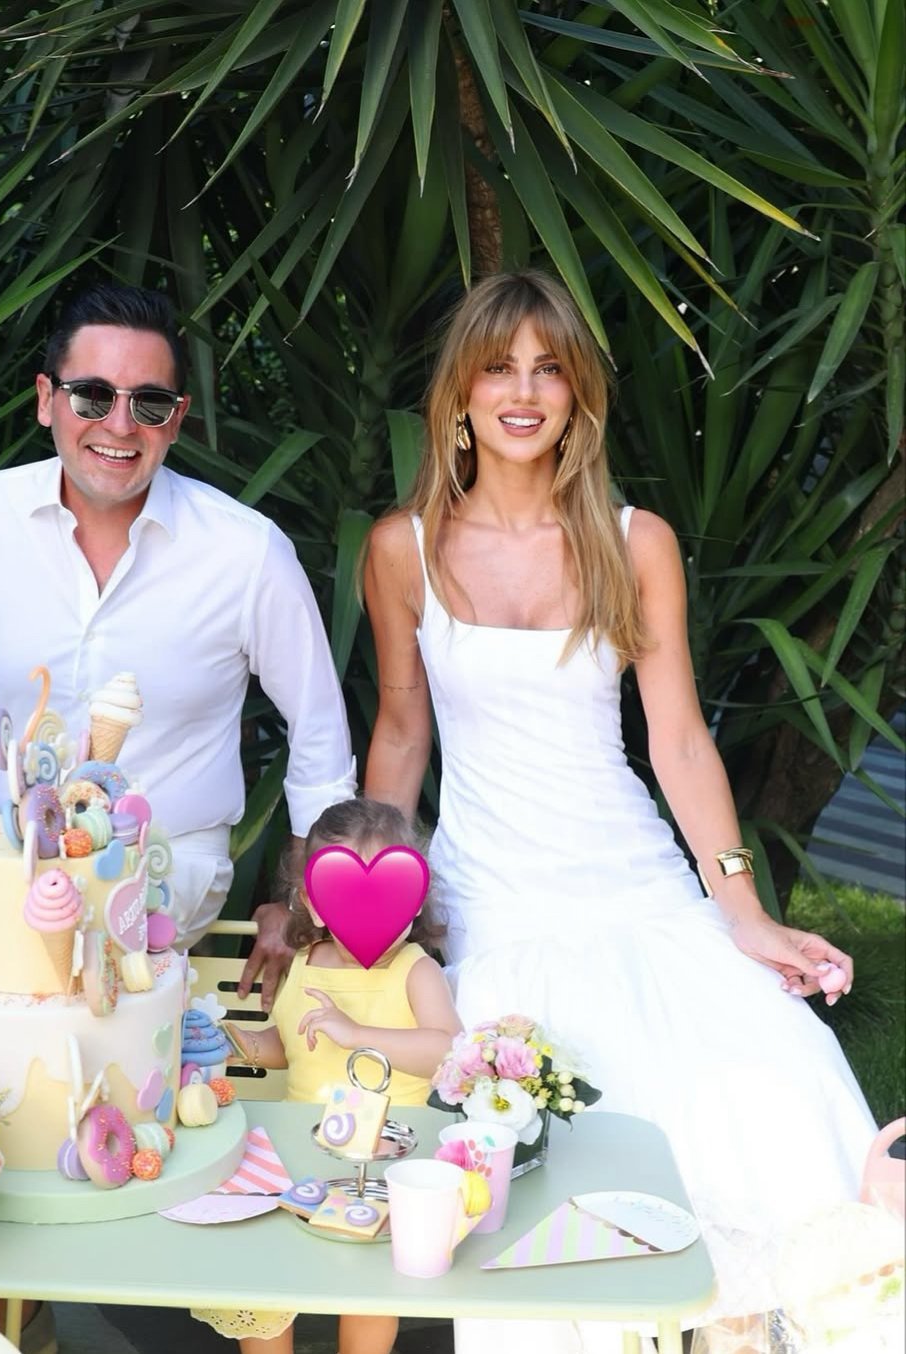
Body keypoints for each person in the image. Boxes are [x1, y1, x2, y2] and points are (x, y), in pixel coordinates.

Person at [362, 270, 877, 1353]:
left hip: (636, 884)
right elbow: (402, 736)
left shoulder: (633, 540)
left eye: (549, 369)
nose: (523, 391)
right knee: (566, 1142)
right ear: (459, 393)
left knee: (763, 1086)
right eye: (498, 367)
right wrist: (362, 905)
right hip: (497, 901)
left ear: (578, 396)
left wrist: (744, 912)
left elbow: (678, 740)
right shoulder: (402, 549)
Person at [0, 280, 356, 1004]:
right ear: (47, 399)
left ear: (177, 420)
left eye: (149, 403)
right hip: (7, 856)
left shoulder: (245, 552)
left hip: (170, 865)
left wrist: (298, 905)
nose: (120, 424)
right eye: (92, 395)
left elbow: (320, 739)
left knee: (87, 1011)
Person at [191, 797, 463, 1354]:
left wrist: (358, 1032)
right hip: (299, 1150)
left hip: (381, 1162)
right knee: (264, 1276)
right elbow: (291, 1046)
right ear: (316, 904)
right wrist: (232, 1041)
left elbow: (446, 1052)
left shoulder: (415, 971)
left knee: (365, 1289)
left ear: (413, 899)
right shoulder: (307, 961)